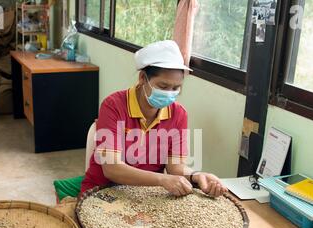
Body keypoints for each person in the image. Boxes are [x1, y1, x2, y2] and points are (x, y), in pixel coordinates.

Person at [54, 40, 227, 201]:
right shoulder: (114, 106)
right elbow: (111, 168)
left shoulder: (178, 114)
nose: (170, 93)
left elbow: (175, 167)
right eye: (163, 86)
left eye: (176, 88)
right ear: (143, 78)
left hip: (146, 194)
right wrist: (162, 179)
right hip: (103, 190)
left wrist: (197, 175)